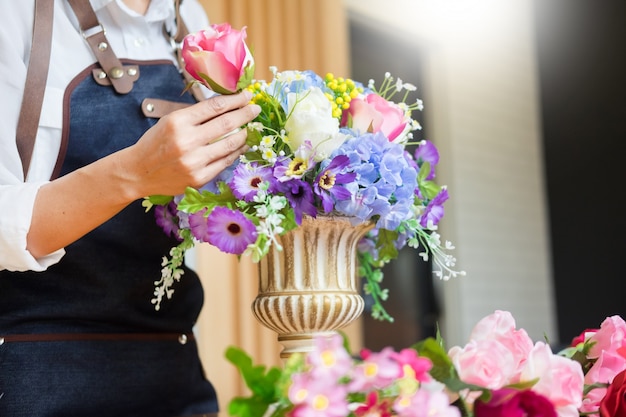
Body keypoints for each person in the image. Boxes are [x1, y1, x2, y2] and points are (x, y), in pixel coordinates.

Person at [0, 0, 260, 416]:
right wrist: (133, 173)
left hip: (173, 372)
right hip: (36, 373)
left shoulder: (188, 19)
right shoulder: (15, 13)